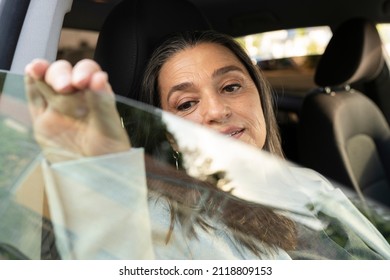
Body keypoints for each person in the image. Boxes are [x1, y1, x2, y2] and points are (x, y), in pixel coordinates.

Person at [24, 30, 390, 260]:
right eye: (186, 104)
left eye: (231, 86)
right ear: (170, 136)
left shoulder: (310, 184)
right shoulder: (166, 220)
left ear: (259, 97)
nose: (217, 110)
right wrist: (99, 184)